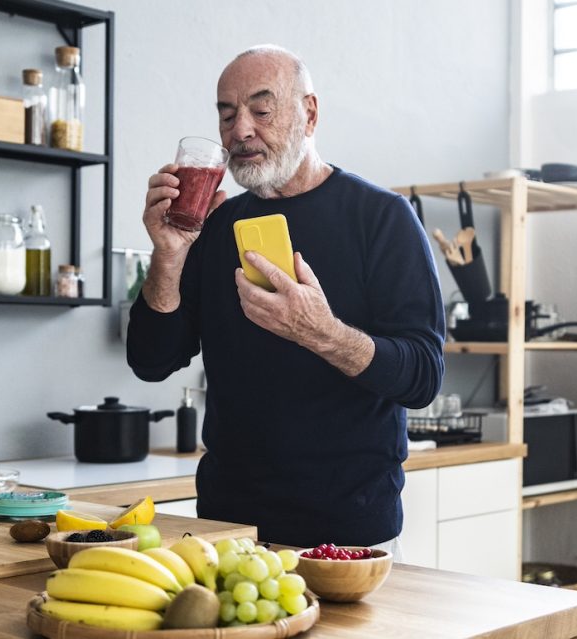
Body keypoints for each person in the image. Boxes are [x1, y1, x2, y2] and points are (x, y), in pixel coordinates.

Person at [127, 44, 445, 549]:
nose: (241, 130)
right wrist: (168, 255)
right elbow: (150, 360)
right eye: (227, 115)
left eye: (261, 109)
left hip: (348, 533)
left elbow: (423, 376)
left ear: (309, 113)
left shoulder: (382, 218)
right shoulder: (214, 225)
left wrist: (322, 332)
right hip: (227, 529)